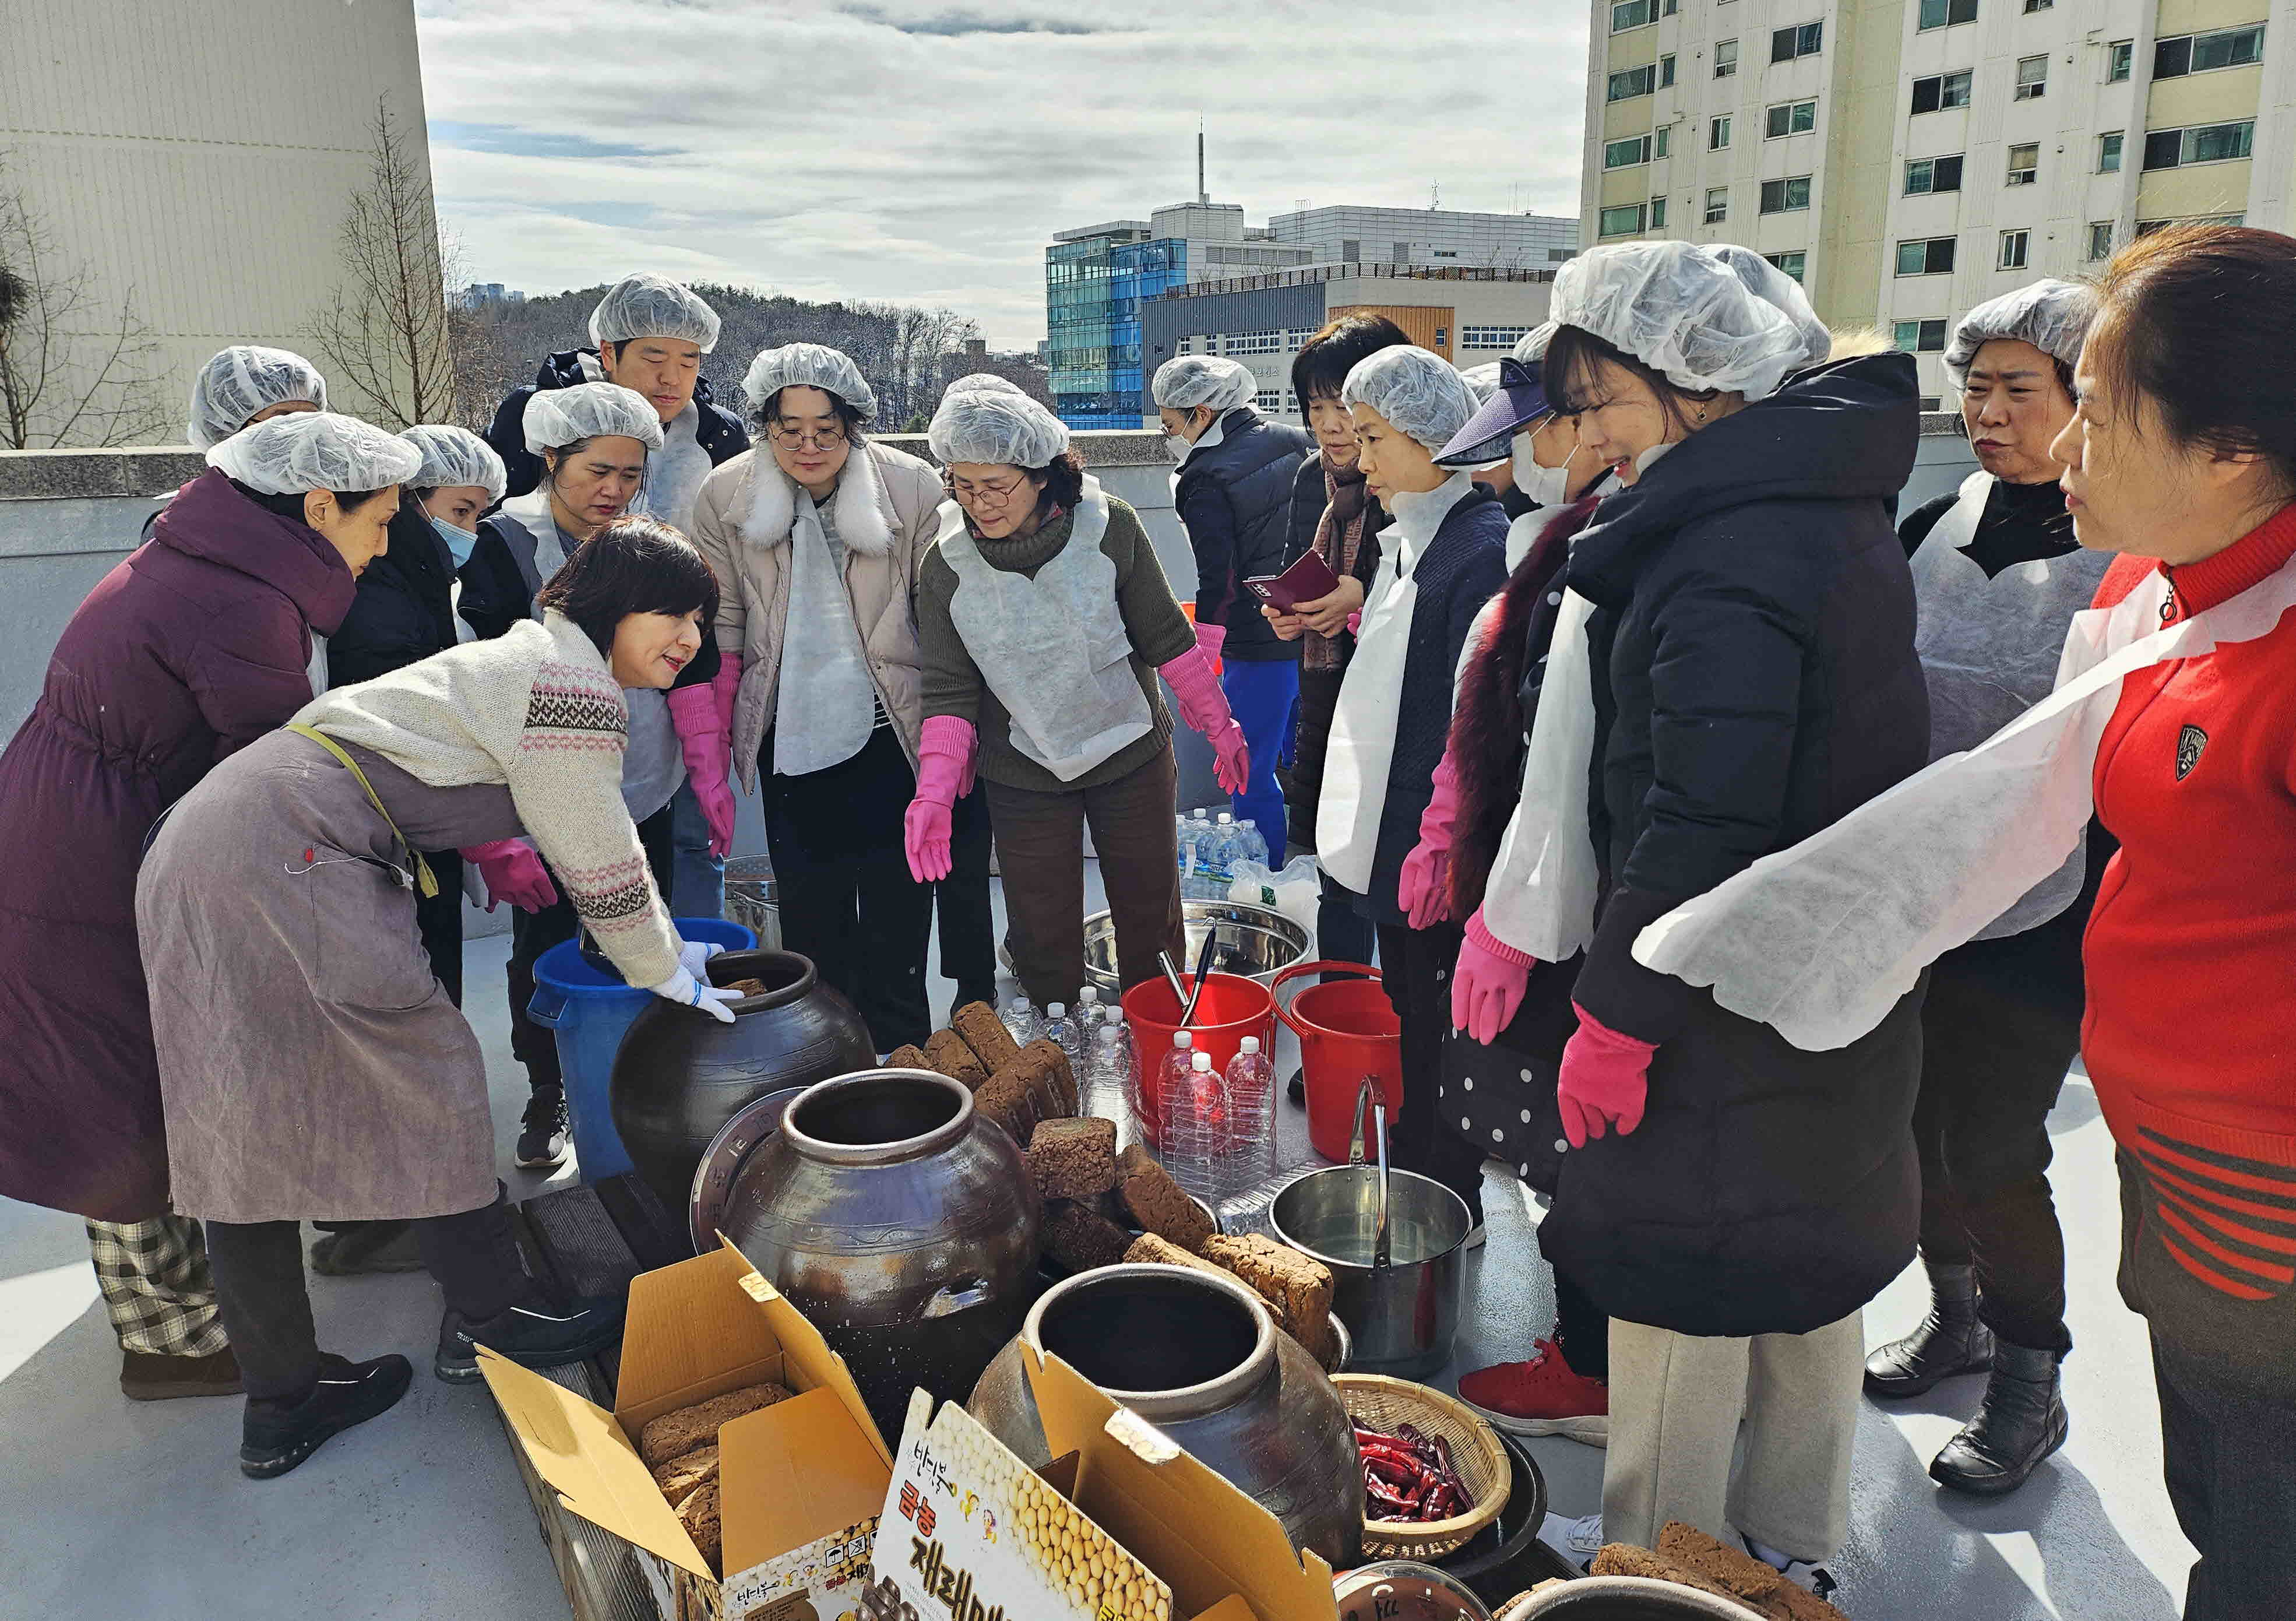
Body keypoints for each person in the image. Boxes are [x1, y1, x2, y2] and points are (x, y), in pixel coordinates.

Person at [1495, 241, 1929, 1584]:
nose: (1588, 438)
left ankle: (1653, 1571)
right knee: (1802, 1259)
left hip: (1714, 995)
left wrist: (1615, 1015)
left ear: (1699, 383)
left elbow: (1696, 813)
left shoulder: (1725, 555)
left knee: (1683, 1279)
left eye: (1603, 400)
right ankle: (1790, 1556)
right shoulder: (1814, 503)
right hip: (1825, 976)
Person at [140, 519, 730, 1479]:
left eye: (702, 620)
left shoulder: (525, 655)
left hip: (210, 837)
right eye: (672, 613)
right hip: (290, 845)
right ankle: (495, 1315)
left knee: (238, 1107)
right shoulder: (567, 681)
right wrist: (669, 970)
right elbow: (603, 858)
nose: (688, 638)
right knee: (431, 1064)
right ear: (610, 607)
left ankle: (283, 1400)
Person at [0, 411, 415, 1404]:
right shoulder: (239, 606)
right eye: (381, 520)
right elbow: (268, 790)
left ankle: (196, 1312)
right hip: (91, 869)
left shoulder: (203, 559)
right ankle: (180, 1341)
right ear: (320, 506)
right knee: (126, 1096)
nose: (386, 542)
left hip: (71, 833)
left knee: (125, 1083)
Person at [1861, 280, 2110, 1497]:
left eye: (2020, 388)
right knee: (1910, 1126)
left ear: (2084, 400)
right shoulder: (1935, 520)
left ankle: (2030, 1375)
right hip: (1922, 888)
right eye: (1976, 387)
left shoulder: (2119, 558)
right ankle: (1950, 1316)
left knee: (1995, 1146)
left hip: (2045, 909)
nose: (1989, 411)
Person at [1395, 324, 1616, 1442]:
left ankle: (1591, 1363)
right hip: (1528, 883)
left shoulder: (1597, 551)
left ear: (1592, 424)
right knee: (1549, 1133)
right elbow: (1494, 720)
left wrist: (1515, 919)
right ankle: (1583, 1344)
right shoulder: (1555, 534)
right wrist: (1450, 832)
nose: (1503, 462)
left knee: (1584, 1137)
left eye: (1526, 437)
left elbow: (1569, 764)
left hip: (1578, 904)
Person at [905, 388, 1248, 1005]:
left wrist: (1218, 722)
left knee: (1149, 911)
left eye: (995, 486)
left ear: (1041, 476)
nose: (978, 503)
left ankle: (1161, 1028)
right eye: (962, 485)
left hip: (1131, 751)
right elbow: (949, 689)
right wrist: (934, 790)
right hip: (1022, 767)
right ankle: (1055, 1047)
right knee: (1041, 928)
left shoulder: (1107, 525)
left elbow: (1165, 635)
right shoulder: (946, 564)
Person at [462, 382, 730, 1169]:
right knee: (547, 944)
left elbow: (693, 664)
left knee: (641, 927)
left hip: (637, 773)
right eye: (595, 471)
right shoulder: (503, 543)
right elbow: (484, 679)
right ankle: (550, 1092)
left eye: (629, 472)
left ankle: (643, 1083)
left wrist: (705, 766)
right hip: (535, 787)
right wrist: (495, 834)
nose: (614, 490)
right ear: (551, 458)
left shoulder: (648, 541)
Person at [1292, 344, 1507, 1226]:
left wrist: (1438, 841)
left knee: (1440, 1028)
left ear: (1431, 437)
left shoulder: (1475, 551)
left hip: (1434, 844)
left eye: (1376, 437)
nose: (1361, 457)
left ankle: (1445, 1202)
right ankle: (1419, 1173)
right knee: (1414, 1014)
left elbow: (1473, 723)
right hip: (1396, 829)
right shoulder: (1410, 543)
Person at [687, 343, 949, 1049]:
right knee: (812, 914)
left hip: (891, 732)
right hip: (789, 734)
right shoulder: (727, 494)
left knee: (898, 913)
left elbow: (940, 613)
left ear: (855, 425)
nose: (807, 446)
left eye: (825, 429)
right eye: (787, 428)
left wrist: (953, 742)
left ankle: (904, 1064)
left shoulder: (913, 488)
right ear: (763, 424)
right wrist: (712, 751)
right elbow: (726, 624)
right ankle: (825, 1061)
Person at [302, 424, 510, 1278]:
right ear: (408, 502)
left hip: (394, 829)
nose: (473, 528)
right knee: (409, 1016)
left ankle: (372, 1208)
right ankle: (405, 1214)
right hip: (385, 829)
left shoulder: (415, 573)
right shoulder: (385, 585)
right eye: (460, 510)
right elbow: (409, 714)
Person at [484, 273, 749, 921]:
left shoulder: (714, 435)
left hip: (686, 665)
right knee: (572, 881)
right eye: (652, 358)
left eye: (687, 362)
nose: (670, 377)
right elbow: (503, 539)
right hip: (560, 688)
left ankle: (690, 977)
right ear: (608, 354)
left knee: (682, 846)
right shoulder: (543, 422)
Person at [1267, 313, 1413, 972]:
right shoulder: (1309, 479)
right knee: (1334, 851)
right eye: (1314, 406)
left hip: (1400, 699)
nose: (1328, 424)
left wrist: (1364, 597)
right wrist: (1290, 613)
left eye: (1342, 406)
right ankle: (1343, 991)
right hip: (1326, 687)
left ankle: (1395, 998)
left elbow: (1439, 585)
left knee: (1396, 855)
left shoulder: (1417, 475)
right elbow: (1302, 568)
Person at [1155, 354, 1312, 851]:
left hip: (1256, 642)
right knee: (1309, 760)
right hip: (1318, 628)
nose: (1171, 435)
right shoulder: (1297, 440)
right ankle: (1314, 873)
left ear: (1201, 412)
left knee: (1248, 768)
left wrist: (1203, 661)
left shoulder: (1204, 477)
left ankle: (1263, 883)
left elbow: (1217, 579)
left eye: (1172, 422)